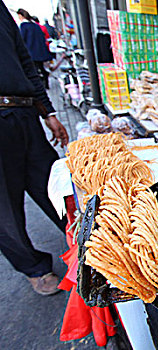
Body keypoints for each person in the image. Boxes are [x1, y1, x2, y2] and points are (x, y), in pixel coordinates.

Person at [1, 1, 69, 295]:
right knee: (5, 209)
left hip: (24, 112)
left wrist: (48, 112)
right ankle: (34, 267)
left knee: (55, 183)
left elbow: (24, 60)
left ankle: (83, 244)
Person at [17, 8, 52, 89]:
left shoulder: (23, 26)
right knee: (41, 68)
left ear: (21, 16)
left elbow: (22, 39)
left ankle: (39, 87)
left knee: (34, 71)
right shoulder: (35, 25)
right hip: (39, 51)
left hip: (30, 52)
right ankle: (46, 83)